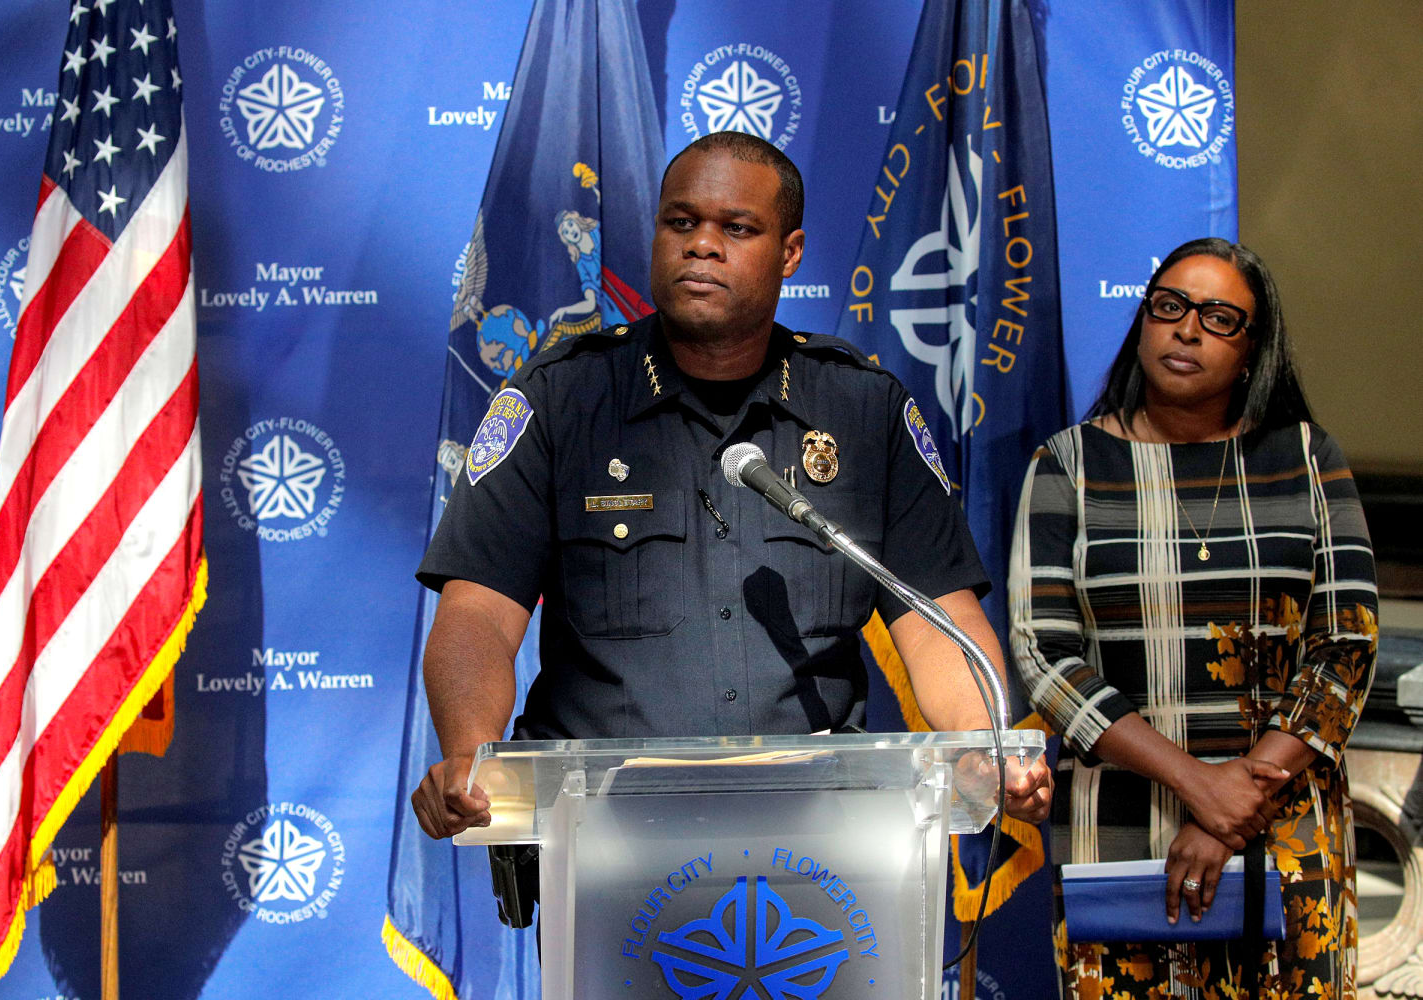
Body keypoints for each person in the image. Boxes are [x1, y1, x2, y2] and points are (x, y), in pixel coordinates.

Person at [410, 131, 1053, 842]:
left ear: (790, 252)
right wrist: (471, 752)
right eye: (680, 222)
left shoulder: (863, 412)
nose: (701, 245)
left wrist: (980, 743)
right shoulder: (559, 400)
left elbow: (938, 621)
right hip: (602, 841)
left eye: (737, 228)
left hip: (824, 846)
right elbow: (477, 616)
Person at [1009, 237, 1377, 998]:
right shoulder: (1067, 466)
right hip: (1117, 828)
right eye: (1170, 307)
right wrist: (1196, 784)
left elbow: (1345, 643)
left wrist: (1229, 807)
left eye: (1218, 318)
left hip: (1284, 826)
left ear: (1251, 353)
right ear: (1143, 324)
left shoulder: (1305, 457)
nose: (1187, 329)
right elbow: (1045, 654)